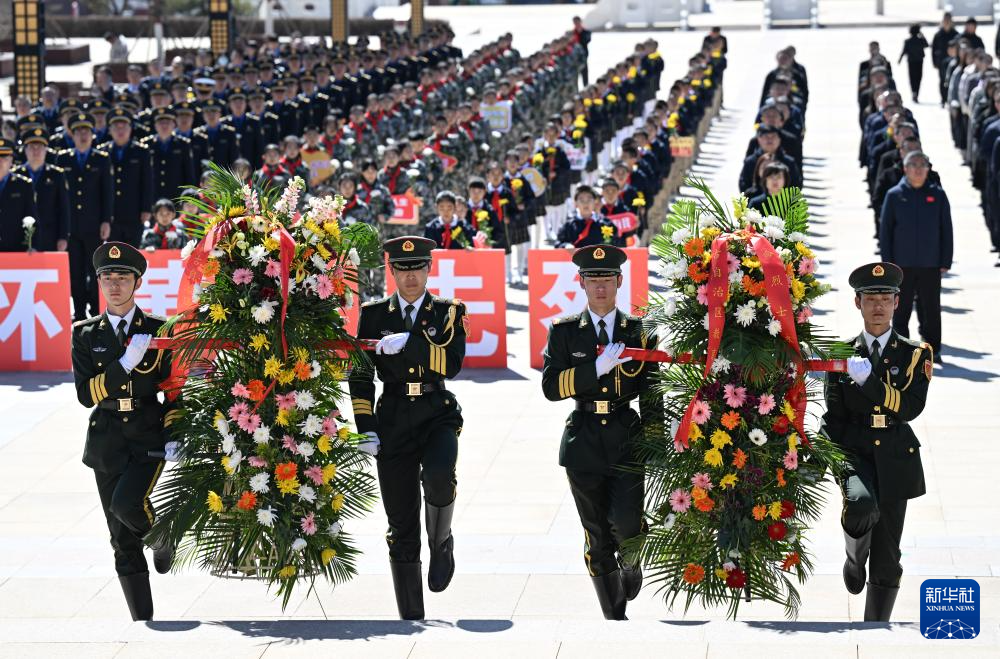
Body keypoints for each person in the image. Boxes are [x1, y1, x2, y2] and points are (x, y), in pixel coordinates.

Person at [348, 235, 467, 620]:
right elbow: (361, 374)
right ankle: (411, 615)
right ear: (392, 271)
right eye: (403, 269)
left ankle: (441, 541)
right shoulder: (374, 315)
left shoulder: (447, 312)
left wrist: (412, 343)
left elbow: (452, 364)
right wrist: (365, 425)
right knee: (400, 523)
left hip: (436, 412)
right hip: (393, 416)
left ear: (429, 268)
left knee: (439, 476)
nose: (411, 276)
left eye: (417, 268)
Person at [541, 244, 660, 620]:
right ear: (581, 283)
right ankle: (614, 615)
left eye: (607, 279)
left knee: (626, 524)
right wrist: (595, 369)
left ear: (620, 281)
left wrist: (656, 441)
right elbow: (551, 388)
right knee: (596, 533)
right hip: (584, 439)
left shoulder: (639, 331)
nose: (600, 287)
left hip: (626, 436)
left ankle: (632, 557)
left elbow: (651, 391)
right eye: (593, 279)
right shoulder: (564, 332)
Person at [71, 242, 180, 621]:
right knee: (120, 539)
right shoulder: (86, 334)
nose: (114, 285)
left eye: (122, 278)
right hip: (106, 440)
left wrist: (175, 432)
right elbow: (86, 395)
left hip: (147, 434)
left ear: (137, 282)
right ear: (98, 282)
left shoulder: (158, 330)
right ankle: (142, 621)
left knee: (126, 504)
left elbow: (174, 389)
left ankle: (161, 538)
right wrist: (124, 364)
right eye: (107, 278)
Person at [821, 262, 931, 622]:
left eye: (886, 298)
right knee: (860, 504)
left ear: (897, 303)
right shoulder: (841, 352)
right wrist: (818, 455)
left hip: (896, 453)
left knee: (888, 559)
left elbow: (910, 408)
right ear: (858, 303)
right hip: (855, 449)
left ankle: (875, 628)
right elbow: (834, 416)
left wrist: (869, 383)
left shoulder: (915, 354)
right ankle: (855, 560)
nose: (878, 306)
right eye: (871, 299)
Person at [879, 152, 952, 362]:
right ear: (905, 168)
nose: (918, 169)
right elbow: (886, 231)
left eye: (922, 165)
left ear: (928, 169)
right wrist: (888, 263)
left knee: (931, 309)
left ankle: (932, 350)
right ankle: (901, 351)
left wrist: (945, 260)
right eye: (913, 164)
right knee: (900, 310)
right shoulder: (894, 195)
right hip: (902, 265)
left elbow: (946, 229)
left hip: (930, 263)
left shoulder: (938, 195)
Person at [56, 113, 115, 321]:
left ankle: (96, 310)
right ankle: (79, 311)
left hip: (94, 224)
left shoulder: (102, 158)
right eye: (78, 131)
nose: (83, 135)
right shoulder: (63, 158)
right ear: (72, 135)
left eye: (86, 131)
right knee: (75, 271)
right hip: (71, 225)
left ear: (92, 135)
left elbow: (107, 192)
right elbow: (59, 195)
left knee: (95, 270)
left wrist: (106, 220)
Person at [100, 108, 154, 247]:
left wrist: (146, 208)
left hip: (134, 212)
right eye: (116, 127)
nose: (120, 130)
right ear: (109, 130)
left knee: (133, 252)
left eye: (124, 126)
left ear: (130, 129)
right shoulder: (102, 152)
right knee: (113, 253)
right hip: (111, 213)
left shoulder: (141, 151)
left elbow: (147, 182)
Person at [15, 128, 70, 253]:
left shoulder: (57, 175)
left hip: (50, 235)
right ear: (25, 150)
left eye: (39, 147)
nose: (36, 151)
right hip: (21, 237)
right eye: (31, 147)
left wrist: (63, 236)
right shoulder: (16, 175)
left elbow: (64, 208)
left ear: (46, 150)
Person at [0, 137, 37, 251]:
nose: (0, 161)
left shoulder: (23, 185)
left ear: (11, 160)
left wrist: (31, 245)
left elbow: (31, 217)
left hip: (15, 249)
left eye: (4, 157)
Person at [555, 185, 620, 249]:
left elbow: (615, 242)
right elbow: (558, 243)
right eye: (582, 200)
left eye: (589, 199)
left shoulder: (605, 224)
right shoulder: (569, 225)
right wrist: (566, 246)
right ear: (575, 203)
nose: (585, 203)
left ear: (595, 202)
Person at [931, 13, 958, 107]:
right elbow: (934, 49)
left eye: (948, 20)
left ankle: (950, 98)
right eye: (945, 20)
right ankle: (943, 99)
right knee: (942, 80)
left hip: (953, 62)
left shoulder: (955, 34)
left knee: (952, 80)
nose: (947, 22)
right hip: (941, 62)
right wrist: (934, 62)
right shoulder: (938, 34)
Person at [898, 25, 928, 102]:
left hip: (911, 61)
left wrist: (900, 59)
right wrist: (922, 35)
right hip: (919, 61)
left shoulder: (908, 41)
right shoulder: (920, 40)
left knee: (912, 78)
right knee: (918, 77)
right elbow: (926, 44)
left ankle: (914, 92)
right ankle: (916, 92)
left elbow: (904, 51)